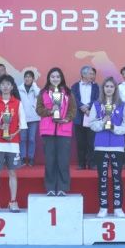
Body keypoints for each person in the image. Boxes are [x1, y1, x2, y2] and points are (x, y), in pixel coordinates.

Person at [89, 77, 125, 218]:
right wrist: (103, 122)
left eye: (111, 86)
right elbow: (91, 124)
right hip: (100, 146)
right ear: (103, 88)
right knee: (102, 178)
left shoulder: (122, 105)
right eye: (106, 86)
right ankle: (103, 207)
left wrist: (115, 128)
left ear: (115, 89)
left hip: (117, 146)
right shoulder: (96, 104)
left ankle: (118, 207)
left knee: (117, 178)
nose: (109, 89)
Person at [0, 75, 27, 212]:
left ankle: (13, 201)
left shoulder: (18, 103)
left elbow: (23, 125)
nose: (6, 87)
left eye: (8, 84)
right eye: (3, 84)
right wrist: (0, 127)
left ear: (12, 87)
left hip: (13, 144)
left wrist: (13, 134)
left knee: (12, 173)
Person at [36, 67, 76, 196]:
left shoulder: (68, 93)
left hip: (64, 130)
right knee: (50, 160)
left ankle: (63, 187)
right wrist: (50, 111)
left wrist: (67, 119)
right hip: (48, 131)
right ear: (49, 78)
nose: (55, 79)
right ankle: (50, 188)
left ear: (61, 78)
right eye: (53, 77)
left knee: (63, 160)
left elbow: (73, 110)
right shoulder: (43, 93)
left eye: (58, 76)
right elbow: (39, 110)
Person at [73, 66, 100, 170]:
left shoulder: (96, 86)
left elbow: (97, 98)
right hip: (79, 116)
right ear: (83, 74)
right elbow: (74, 98)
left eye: (93, 74)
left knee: (91, 141)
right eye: (90, 74)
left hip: (91, 115)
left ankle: (92, 163)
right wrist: (82, 107)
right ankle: (81, 163)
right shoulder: (75, 86)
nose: (92, 76)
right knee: (81, 142)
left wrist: (88, 106)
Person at [19, 69, 40, 166]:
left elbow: (39, 96)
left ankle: (31, 158)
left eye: (29, 77)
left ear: (33, 79)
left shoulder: (36, 89)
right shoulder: (19, 89)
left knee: (31, 139)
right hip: (22, 117)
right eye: (26, 77)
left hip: (34, 117)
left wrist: (34, 86)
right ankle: (23, 157)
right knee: (22, 139)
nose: (27, 78)